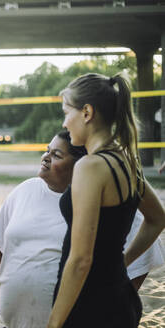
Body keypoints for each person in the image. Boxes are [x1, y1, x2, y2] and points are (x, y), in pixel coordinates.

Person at [0, 131, 165, 328]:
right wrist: (14, 280)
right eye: (47, 151)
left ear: (81, 165)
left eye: (56, 155)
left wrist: (109, 298)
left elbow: (143, 258)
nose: (45, 158)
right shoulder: (24, 191)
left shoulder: (110, 202)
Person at [48, 73, 165, 328]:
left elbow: (81, 259)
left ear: (87, 112)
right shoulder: (125, 161)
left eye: (67, 113)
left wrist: (54, 323)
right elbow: (158, 219)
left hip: (91, 304)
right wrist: (122, 261)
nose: (65, 123)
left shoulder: (91, 167)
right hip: (120, 296)